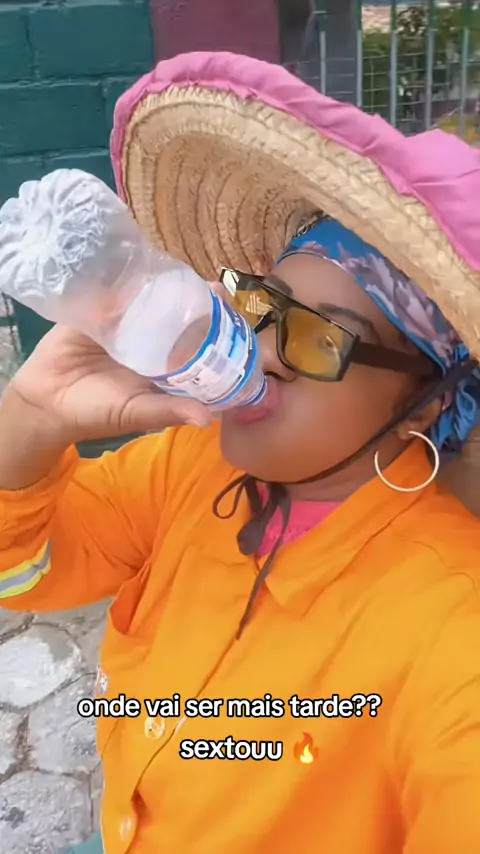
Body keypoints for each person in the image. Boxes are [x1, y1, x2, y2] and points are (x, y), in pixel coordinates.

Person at [1, 51, 480, 854]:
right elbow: (24, 569)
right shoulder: (188, 465)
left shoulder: (449, 627)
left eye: (320, 339)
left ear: (424, 403)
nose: (262, 350)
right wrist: (31, 419)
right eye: (264, 306)